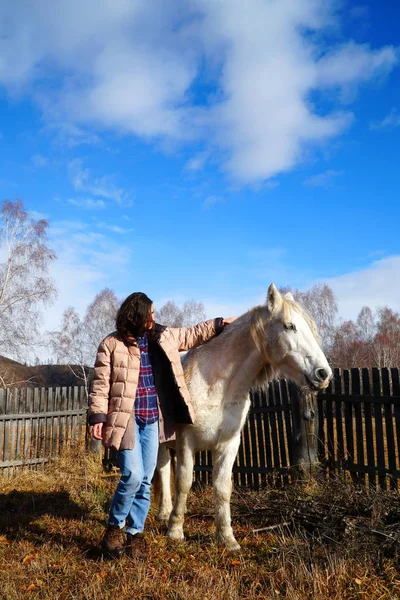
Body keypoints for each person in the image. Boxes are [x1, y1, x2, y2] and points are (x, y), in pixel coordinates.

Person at [87, 292, 236, 557]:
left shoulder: (161, 336)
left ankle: (135, 534)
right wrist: (98, 417)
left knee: (145, 479)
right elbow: (100, 385)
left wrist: (220, 324)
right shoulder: (110, 344)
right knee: (131, 476)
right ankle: (114, 527)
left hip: (152, 419)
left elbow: (192, 334)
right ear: (137, 315)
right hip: (126, 420)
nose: (154, 319)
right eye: (150, 314)